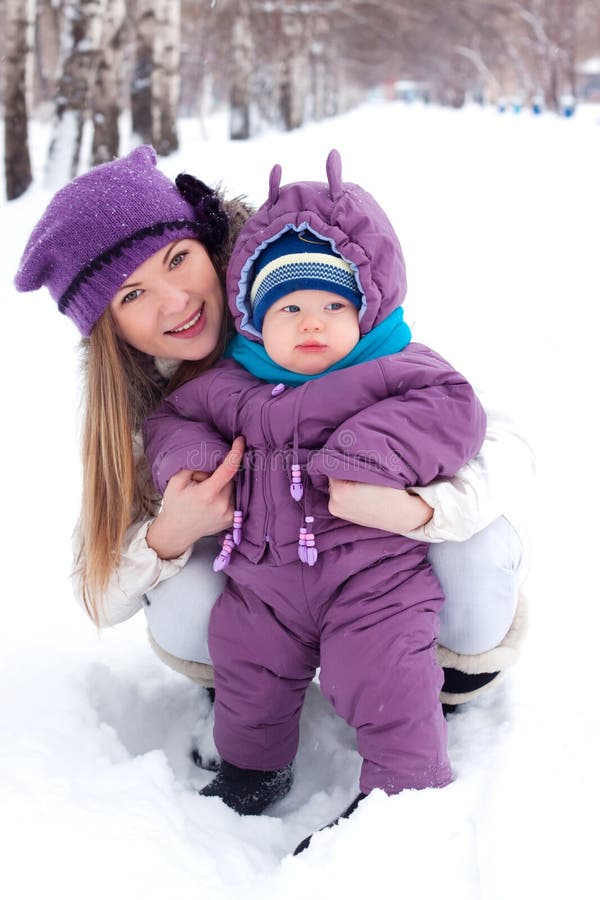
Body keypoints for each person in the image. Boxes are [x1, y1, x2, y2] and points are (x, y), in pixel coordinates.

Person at [14, 145, 531, 796]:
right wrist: (171, 531)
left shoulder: (303, 287)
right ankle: (243, 726)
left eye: (178, 260)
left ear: (209, 246)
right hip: (268, 590)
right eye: (133, 293)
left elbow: (488, 432)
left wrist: (416, 509)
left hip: (375, 570)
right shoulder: (150, 406)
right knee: (189, 594)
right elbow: (96, 585)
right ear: (107, 327)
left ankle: (447, 681)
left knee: (473, 545)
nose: (175, 301)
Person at [142, 149, 488, 825]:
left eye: (334, 303)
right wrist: (195, 460)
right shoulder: (231, 386)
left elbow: (455, 409)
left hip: (374, 579)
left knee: (384, 675)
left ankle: (404, 791)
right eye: (289, 305)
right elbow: (172, 420)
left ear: (365, 308)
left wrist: (367, 451)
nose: (310, 321)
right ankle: (254, 770)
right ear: (251, 315)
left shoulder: (392, 369)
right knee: (249, 675)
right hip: (264, 583)